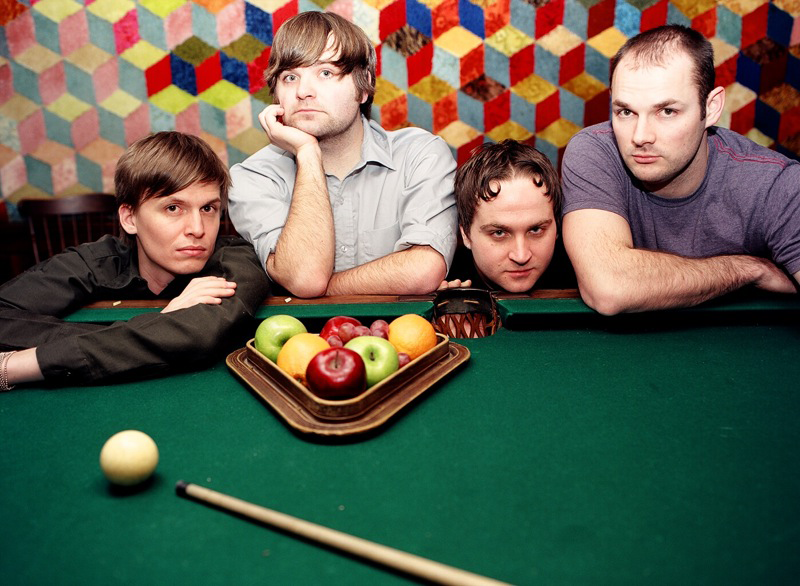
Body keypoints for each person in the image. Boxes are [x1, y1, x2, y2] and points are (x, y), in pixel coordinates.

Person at [0, 131, 270, 390]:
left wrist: (11, 367)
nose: (198, 229)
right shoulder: (97, 261)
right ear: (130, 219)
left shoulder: (237, 261)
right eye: (173, 208)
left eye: (208, 208)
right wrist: (158, 324)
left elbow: (198, 335)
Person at [561, 25, 800, 315]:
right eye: (626, 112)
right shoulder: (595, 151)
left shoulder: (777, 185)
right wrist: (749, 269)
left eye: (667, 111)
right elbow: (609, 288)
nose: (640, 136)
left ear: (711, 108)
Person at [228, 11, 457, 298]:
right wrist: (307, 152)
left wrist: (326, 288)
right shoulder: (252, 177)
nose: (303, 91)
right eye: (290, 77)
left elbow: (423, 270)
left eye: (325, 73)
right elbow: (304, 278)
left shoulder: (419, 155)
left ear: (363, 88)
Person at [443, 140, 574, 292]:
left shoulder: (582, 271)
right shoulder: (442, 280)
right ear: (466, 234)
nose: (521, 256)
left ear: (557, 225)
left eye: (536, 230)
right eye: (499, 233)